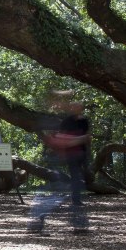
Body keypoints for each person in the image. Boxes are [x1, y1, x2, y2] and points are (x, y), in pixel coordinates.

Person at [28, 91, 91, 235]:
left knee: (73, 184)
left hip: (78, 155)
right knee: (60, 186)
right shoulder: (63, 120)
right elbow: (60, 139)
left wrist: (84, 147)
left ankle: (77, 222)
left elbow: (87, 138)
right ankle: (38, 219)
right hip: (65, 156)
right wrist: (79, 140)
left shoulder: (82, 120)